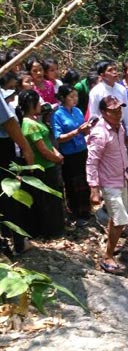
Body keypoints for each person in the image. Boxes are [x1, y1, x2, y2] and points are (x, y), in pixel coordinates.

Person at [86, 95, 128, 274]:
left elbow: (122, 151)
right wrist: (94, 189)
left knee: (118, 219)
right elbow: (92, 161)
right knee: (120, 221)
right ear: (103, 112)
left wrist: (127, 170)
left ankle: (110, 245)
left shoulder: (118, 127)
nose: (118, 113)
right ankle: (107, 257)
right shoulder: (99, 132)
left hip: (121, 178)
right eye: (113, 110)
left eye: (119, 109)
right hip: (109, 182)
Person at [19, 90, 65, 238]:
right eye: (37, 102)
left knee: (53, 200)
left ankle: (55, 230)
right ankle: (51, 232)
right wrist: (56, 158)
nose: (40, 105)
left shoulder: (33, 121)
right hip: (43, 167)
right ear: (31, 105)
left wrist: (57, 154)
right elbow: (42, 150)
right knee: (48, 202)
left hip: (49, 164)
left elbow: (47, 145)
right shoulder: (30, 124)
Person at [51, 85, 92, 227]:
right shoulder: (57, 114)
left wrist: (87, 129)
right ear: (63, 98)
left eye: (76, 96)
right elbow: (59, 137)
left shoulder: (78, 111)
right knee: (72, 183)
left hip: (82, 149)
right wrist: (76, 131)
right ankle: (75, 212)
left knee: (84, 181)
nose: (75, 99)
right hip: (69, 153)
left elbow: (83, 130)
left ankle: (86, 210)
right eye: (71, 96)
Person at [0, 93, 34, 255]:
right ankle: (18, 242)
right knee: (8, 195)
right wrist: (26, 148)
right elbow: (7, 120)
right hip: (2, 149)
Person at [88, 60, 128, 146]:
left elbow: (125, 111)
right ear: (102, 75)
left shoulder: (121, 89)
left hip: (120, 128)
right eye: (110, 70)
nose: (114, 72)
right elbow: (94, 116)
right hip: (104, 130)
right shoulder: (96, 92)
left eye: (115, 69)